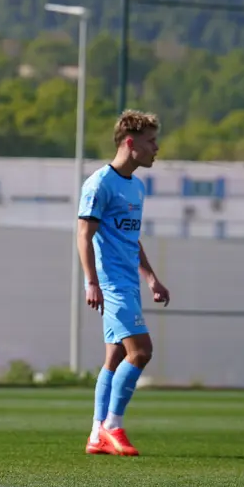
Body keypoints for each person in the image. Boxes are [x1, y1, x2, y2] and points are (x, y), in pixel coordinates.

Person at [77, 111, 170, 456]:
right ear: (130, 143)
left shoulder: (137, 186)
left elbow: (131, 239)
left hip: (129, 282)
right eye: (150, 142)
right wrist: (91, 282)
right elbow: (84, 235)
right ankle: (112, 426)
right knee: (141, 352)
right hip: (112, 284)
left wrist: (151, 277)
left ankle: (94, 434)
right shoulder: (99, 183)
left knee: (114, 359)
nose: (156, 148)